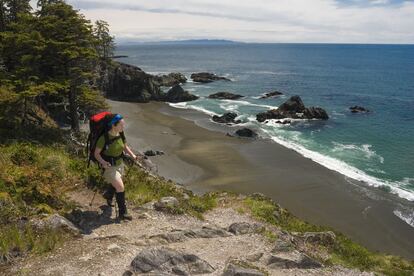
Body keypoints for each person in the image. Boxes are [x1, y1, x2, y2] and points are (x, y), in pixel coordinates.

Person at [94, 113, 138, 221]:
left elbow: (125, 146)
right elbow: (96, 154)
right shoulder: (104, 138)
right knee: (120, 187)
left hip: (119, 163)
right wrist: (103, 162)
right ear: (113, 125)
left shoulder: (120, 134)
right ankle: (123, 213)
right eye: (121, 125)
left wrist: (132, 155)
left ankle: (108, 195)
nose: (123, 127)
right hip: (109, 167)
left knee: (117, 184)